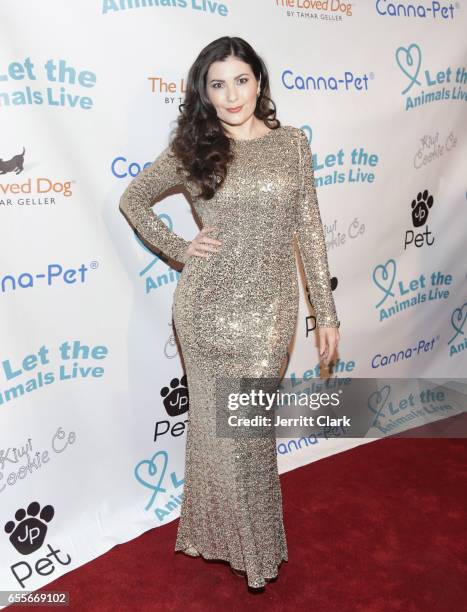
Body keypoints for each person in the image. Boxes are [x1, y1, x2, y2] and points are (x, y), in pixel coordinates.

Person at [119, 36, 340, 590]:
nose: (231, 94)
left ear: (259, 81)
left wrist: (327, 315)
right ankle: (222, 538)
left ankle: (257, 552)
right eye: (217, 84)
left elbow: (308, 230)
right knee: (215, 432)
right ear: (205, 92)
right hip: (204, 306)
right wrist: (178, 248)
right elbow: (133, 198)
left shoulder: (291, 145)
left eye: (241, 80)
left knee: (248, 431)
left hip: (269, 310)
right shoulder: (196, 148)